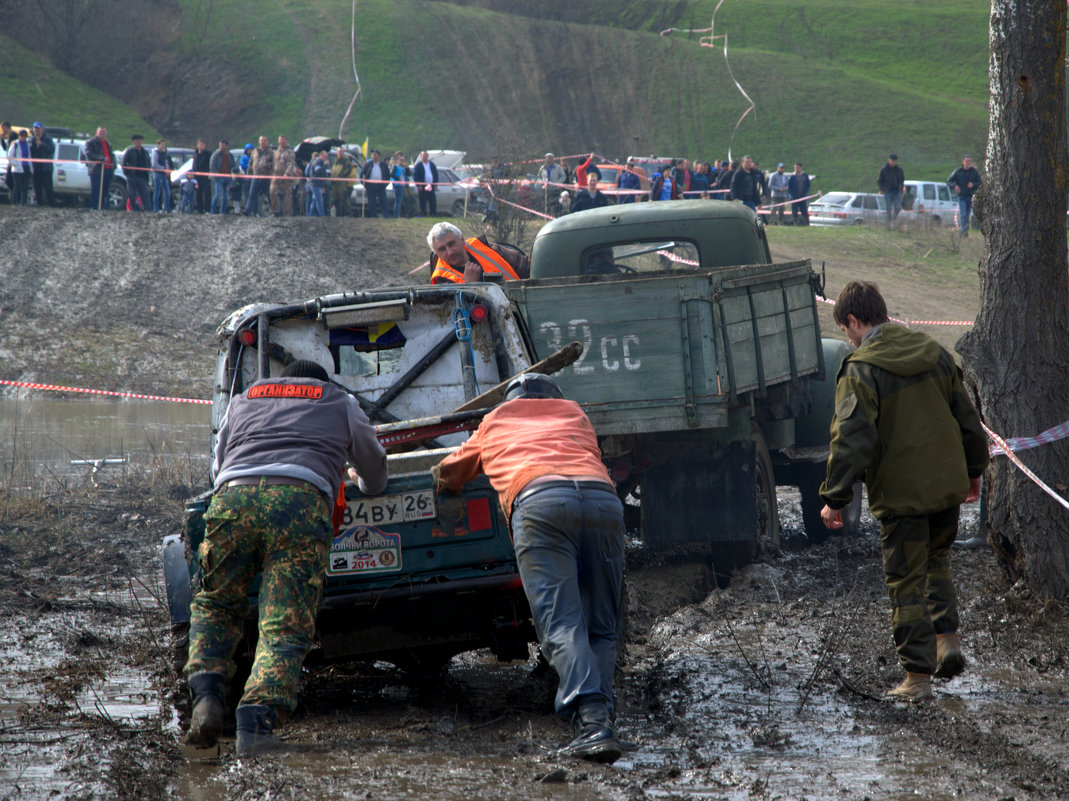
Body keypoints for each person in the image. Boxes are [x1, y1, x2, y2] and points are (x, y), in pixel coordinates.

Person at [183, 359, 388, 758]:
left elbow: (218, 465)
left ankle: (206, 698)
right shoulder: (340, 402)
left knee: (215, 605)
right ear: (319, 383)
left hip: (232, 499)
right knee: (284, 621)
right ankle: (255, 727)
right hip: (299, 501)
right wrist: (360, 480)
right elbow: (375, 471)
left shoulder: (243, 401)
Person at [432, 373, 626, 763]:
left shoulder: (497, 419)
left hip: (541, 505)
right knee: (603, 625)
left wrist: (442, 484)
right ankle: (601, 719)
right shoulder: (575, 414)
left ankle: (593, 725)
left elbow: (452, 472)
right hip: (603, 501)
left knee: (562, 624)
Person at [819, 281, 988, 703]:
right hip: (946, 486)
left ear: (855, 321)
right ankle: (946, 640)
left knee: (905, 582)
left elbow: (852, 437)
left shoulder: (862, 368)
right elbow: (968, 419)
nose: (848, 338)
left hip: (902, 495)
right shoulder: (933, 352)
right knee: (936, 559)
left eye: (846, 330)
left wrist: (835, 496)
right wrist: (973, 472)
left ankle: (917, 677)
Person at [427, 221, 522, 284]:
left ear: (462, 239)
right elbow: (452, 311)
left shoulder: (484, 246)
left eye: (452, 244)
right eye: (442, 249)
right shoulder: (440, 281)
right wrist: (470, 284)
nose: (450, 252)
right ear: (437, 253)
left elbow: (522, 264)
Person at [947, 156, 982, 236]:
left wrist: (973, 184)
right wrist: (954, 186)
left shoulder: (974, 172)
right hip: (961, 196)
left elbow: (980, 182)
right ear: (963, 162)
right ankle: (963, 230)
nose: (968, 163)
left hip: (971, 196)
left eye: (970, 161)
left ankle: (965, 229)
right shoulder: (958, 171)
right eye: (967, 161)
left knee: (967, 214)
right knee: (963, 214)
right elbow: (949, 181)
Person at [84, 126, 115, 210]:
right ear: (97, 133)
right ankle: (94, 207)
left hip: (108, 169)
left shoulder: (108, 143)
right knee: (96, 190)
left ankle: (104, 207)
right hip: (96, 170)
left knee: (105, 190)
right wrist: (102, 158)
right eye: (100, 132)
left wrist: (113, 163)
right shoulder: (91, 142)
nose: (102, 134)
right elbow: (89, 154)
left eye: (104, 132)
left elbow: (111, 154)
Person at [243, 136, 273, 217]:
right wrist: (248, 174)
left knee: (269, 195)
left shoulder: (271, 152)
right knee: (252, 194)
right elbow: (250, 163)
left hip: (266, 177)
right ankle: (247, 211)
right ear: (259, 141)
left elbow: (274, 164)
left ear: (267, 142)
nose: (263, 142)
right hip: (256, 176)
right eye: (261, 140)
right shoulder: (255, 151)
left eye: (264, 140)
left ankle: (273, 211)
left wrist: (267, 165)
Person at [270, 135, 298, 216]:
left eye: (284, 140)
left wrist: (287, 174)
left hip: (286, 177)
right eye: (280, 140)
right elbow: (273, 164)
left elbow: (291, 164)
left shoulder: (289, 152)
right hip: (276, 176)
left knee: (287, 196)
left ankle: (287, 214)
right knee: (272, 192)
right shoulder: (276, 152)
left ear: (286, 141)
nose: (282, 142)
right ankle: (275, 211)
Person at [122, 134, 152, 211]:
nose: (138, 142)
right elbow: (124, 163)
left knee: (145, 194)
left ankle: (148, 210)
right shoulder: (130, 151)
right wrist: (128, 174)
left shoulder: (145, 152)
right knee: (132, 194)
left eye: (140, 140)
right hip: (132, 176)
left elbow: (148, 163)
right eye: (137, 140)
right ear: (134, 142)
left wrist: (147, 171)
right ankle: (133, 210)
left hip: (143, 177)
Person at [209, 140, 238, 214]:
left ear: (227, 146)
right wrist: (215, 175)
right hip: (219, 177)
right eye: (220, 145)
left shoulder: (230, 155)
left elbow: (233, 165)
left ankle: (223, 211)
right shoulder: (216, 154)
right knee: (217, 195)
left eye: (223, 145)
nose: (222, 147)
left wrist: (233, 174)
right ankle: (212, 210)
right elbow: (212, 165)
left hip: (228, 177)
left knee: (225, 196)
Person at [29, 122, 55, 207]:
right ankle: (39, 203)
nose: (36, 130)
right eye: (35, 128)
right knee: (37, 186)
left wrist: (42, 144)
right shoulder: (32, 139)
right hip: (36, 167)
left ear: (42, 129)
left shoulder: (47, 139)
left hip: (46, 167)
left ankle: (51, 203)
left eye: (38, 128)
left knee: (48, 187)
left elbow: (51, 149)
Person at [360, 149, 389, 218]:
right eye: (372, 155)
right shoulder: (368, 164)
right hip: (370, 185)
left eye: (375, 155)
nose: (373, 156)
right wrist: (364, 184)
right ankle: (373, 215)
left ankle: (386, 215)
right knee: (371, 201)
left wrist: (385, 184)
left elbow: (388, 175)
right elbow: (362, 174)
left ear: (379, 156)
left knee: (383, 201)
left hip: (381, 185)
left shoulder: (383, 165)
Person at [7, 128, 32, 205]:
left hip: (26, 166)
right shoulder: (16, 144)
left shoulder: (27, 144)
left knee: (25, 186)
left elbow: (29, 156)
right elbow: (9, 155)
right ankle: (14, 201)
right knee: (17, 186)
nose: (23, 137)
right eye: (22, 135)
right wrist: (15, 163)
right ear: (19, 136)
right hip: (18, 168)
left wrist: (31, 168)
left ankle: (23, 202)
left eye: (25, 135)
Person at [877, 154, 905, 224]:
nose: (893, 162)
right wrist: (882, 189)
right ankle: (889, 222)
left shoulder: (899, 170)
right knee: (888, 208)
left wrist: (901, 190)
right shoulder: (883, 170)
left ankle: (893, 219)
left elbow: (902, 181)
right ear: (888, 160)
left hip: (896, 191)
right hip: (888, 191)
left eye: (894, 161)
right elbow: (879, 181)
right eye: (892, 161)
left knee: (898, 207)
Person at [331, 146, 357, 217]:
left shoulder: (346, 161)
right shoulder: (336, 161)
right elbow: (333, 171)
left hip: (342, 183)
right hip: (335, 184)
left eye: (342, 152)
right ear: (337, 152)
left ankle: (347, 214)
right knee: (336, 199)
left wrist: (340, 177)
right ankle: (338, 214)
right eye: (339, 151)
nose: (340, 153)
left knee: (344, 198)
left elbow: (348, 171)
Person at [413, 151, 438, 216]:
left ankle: (433, 214)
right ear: (421, 156)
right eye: (424, 155)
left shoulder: (432, 165)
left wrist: (435, 185)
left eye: (426, 155)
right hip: (423, 186)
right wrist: (419, 185)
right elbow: (415, 176)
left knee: (432, 201)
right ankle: (423, 214)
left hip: (431, 186)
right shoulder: (418, 165)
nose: (425, 156)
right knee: (423, 201)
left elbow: (436, 175)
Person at [152, 139, 174, 213]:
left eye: (164, 144)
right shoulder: (155, 153)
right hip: (157, 174)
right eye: (162, 144)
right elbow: (154, 165)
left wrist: (167, 168)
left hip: (164, 174)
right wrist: (163, 168)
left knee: (167, 191)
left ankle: (167, 208)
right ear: (158, 145)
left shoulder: (164, 153)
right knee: (157, 191)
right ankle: (156, 208)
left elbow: (165, 162)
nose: (163, 146)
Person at [307, 150, 329, 217]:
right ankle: (322, 215)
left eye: (326, 157)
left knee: (314, 200)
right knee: (319, 200)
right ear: (320, 155)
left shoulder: (321, 162)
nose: (326, 158)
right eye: (325, 156)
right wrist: (325, 165)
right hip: (315, 184)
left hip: (318, 184)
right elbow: (317, 171)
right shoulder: (317, 162)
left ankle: (311, 214)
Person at [192, 139, 211, 213]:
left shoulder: (208, 154)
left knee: (207, 194)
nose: (201, 146)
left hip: (205, 177)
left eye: (202, 144)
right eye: (200, 144)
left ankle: (207, 209)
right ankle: (200, 209)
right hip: (197, 177)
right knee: (198, 194)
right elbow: (194, 165)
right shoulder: (195, 153)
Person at [389, 151, 410, 219]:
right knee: (397, 201)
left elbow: (409, 174)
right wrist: (398, 179)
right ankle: (396, 216)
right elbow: (391, 174)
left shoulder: (403, 168)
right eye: (401, 160)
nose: (402, 161)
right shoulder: (395, 166)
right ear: (397, 160)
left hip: (402, 185)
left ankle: (398, 215)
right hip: (397, 185)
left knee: (400, 201)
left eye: (403, 160)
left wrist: (407, 168)